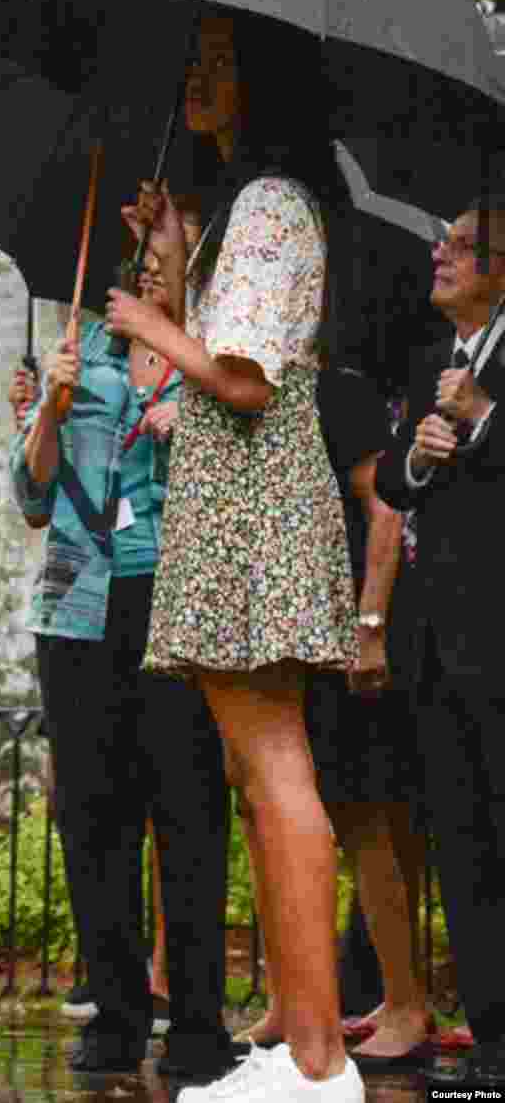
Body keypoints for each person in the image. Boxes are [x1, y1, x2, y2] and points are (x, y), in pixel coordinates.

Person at [106, 10, 362, 1102]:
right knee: (259, 776)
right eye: (192, 63)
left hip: (254, 502)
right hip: (237, 500)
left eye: (217, 64)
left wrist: (153, 323)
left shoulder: (268, 203)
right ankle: (302, 1045)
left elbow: (244, 376)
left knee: (274, 768)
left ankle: (316, 1061)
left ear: (262, 83)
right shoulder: (243, 210)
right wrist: (171, 267)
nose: (194, 80)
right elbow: (215, 344)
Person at [11, 255, 236, 1081]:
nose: (145, 271)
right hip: (77, 608)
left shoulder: (210, 356)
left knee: (188, 809)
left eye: (161, 258)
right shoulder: (82, 353)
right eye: (133, 262)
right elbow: (31, 496)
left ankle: (200, 1024)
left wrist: (193, 419)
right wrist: (50, 411)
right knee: (92, 817)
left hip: (173, 597)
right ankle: (115, 1010)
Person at [235, 367, 429, 1071]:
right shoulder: (250, 398)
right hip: (291, 637)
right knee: (302, 813)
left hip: (343, 631)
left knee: (366, 816)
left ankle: (407, 1000)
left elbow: (384, 508)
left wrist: (369, 621)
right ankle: (313, 996)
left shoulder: (336, 392)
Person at [374, 194, 505, 1095]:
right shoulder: (429, 359)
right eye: (443, 240)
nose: (441, 254)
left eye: (463, 245)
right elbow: (390, 478)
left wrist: (487, 413)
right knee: (461, 840)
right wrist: (420, 454)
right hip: (441, 642)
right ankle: (493, 1039)